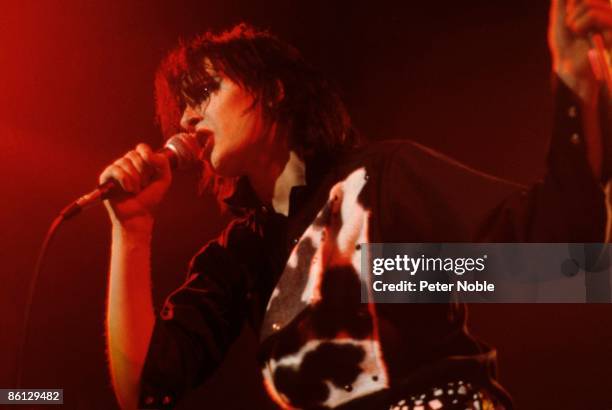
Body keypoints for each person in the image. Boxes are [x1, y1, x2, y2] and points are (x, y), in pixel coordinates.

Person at [100, 1, 611, 408]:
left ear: (274, 91)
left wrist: (577, 82)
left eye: (205, 91)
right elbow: (147, 391)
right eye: (181, 108)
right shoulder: (240, 257)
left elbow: (556, 259)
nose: (188, 120)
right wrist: (134, 229)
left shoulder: (382, 177)